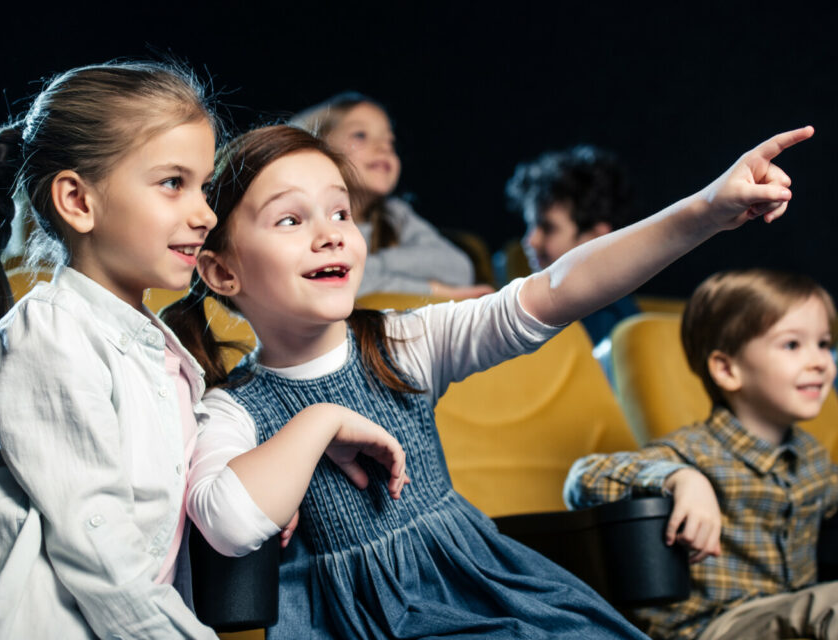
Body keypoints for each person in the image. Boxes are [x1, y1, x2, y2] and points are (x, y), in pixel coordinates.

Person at [163, 121, 813, 638]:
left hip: (486, 591)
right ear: (222, 274)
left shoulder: (401, 344)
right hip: (358, 621)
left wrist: (703, 210)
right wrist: (321, 421)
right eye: (289, 220)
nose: (330, 236)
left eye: (341, 213)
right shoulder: (234, 410)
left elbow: (560, 288)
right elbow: (226, 520)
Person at [0, 62, 408, 640]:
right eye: (172, 183)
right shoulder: (48, 337)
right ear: (78, 201)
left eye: (204, 186)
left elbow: (176, 479)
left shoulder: (158, 346)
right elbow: (98, 545)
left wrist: (297, 452)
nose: (206, 214)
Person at [564, 269, 838, 640]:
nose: (821, 361)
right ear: (727, 369)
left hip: (790, 615)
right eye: (793, 345)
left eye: (824, 344)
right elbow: (584, 479)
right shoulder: (692, 453)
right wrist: (681, 480)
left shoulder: (811, 455)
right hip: (713, 627)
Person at [291, 92, 493, 299]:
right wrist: (434, 289)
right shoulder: (304, 220)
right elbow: (330, 286)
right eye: (360, 135)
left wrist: (373, 266)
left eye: (390, 141)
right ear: (316, 146)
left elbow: (458, 268)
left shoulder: (394, 214)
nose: (384, 147)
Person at [506, 145, 640, 345]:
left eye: (547, 227)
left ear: (596, 237)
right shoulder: (545, 312)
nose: (531, 240)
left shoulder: (611, 326)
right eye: (531, 225)